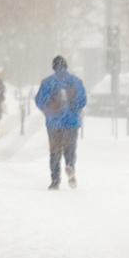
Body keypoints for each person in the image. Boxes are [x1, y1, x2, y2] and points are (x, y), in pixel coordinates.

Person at [34, 55, 87, 190]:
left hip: (54, 124)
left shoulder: (48, 82)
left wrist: (49, 112)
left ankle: (55, 180)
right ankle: (70, 165)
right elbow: (82, 101)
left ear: (53, 67)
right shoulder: (76, 82)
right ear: (66, 66)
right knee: (70, 149)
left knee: (55, 152)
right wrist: (73, 110)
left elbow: (40, 101)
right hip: (71, 123)